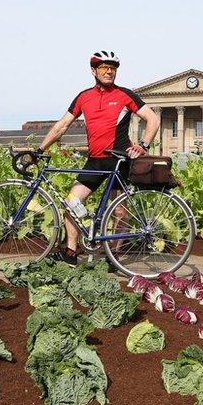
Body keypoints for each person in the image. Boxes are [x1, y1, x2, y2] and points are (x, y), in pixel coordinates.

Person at [37, 50, 161, 266]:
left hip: (119, 160)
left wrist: (143, 146)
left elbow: (152, 118)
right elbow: (62, 126)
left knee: (120, 210)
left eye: (113, 68)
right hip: (95, 161)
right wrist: (39, 149)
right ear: (94, 71)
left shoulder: (125, 94)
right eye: (104, 67)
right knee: (71, 202)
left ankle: (113, 257)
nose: (109, 71)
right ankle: (71, 252)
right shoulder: (84, 97)